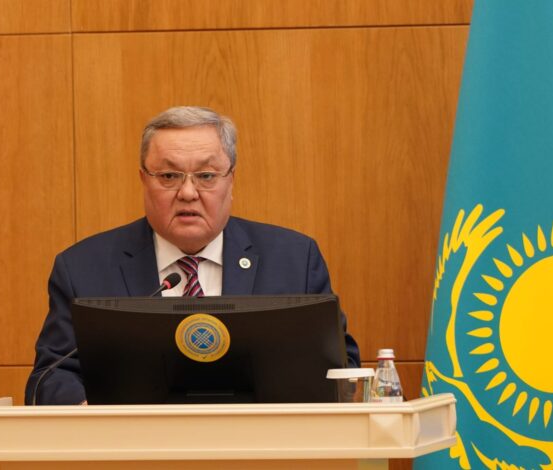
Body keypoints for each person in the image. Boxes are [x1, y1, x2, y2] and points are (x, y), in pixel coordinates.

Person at [25, 106, 360, 405]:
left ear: (231, 181)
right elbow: (49, 377)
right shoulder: (83, 268)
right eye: (169, 176)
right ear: (144, 180)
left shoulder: (294, 259)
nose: (187, 193)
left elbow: (341, 367)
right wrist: (88, 413)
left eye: (206, 176)